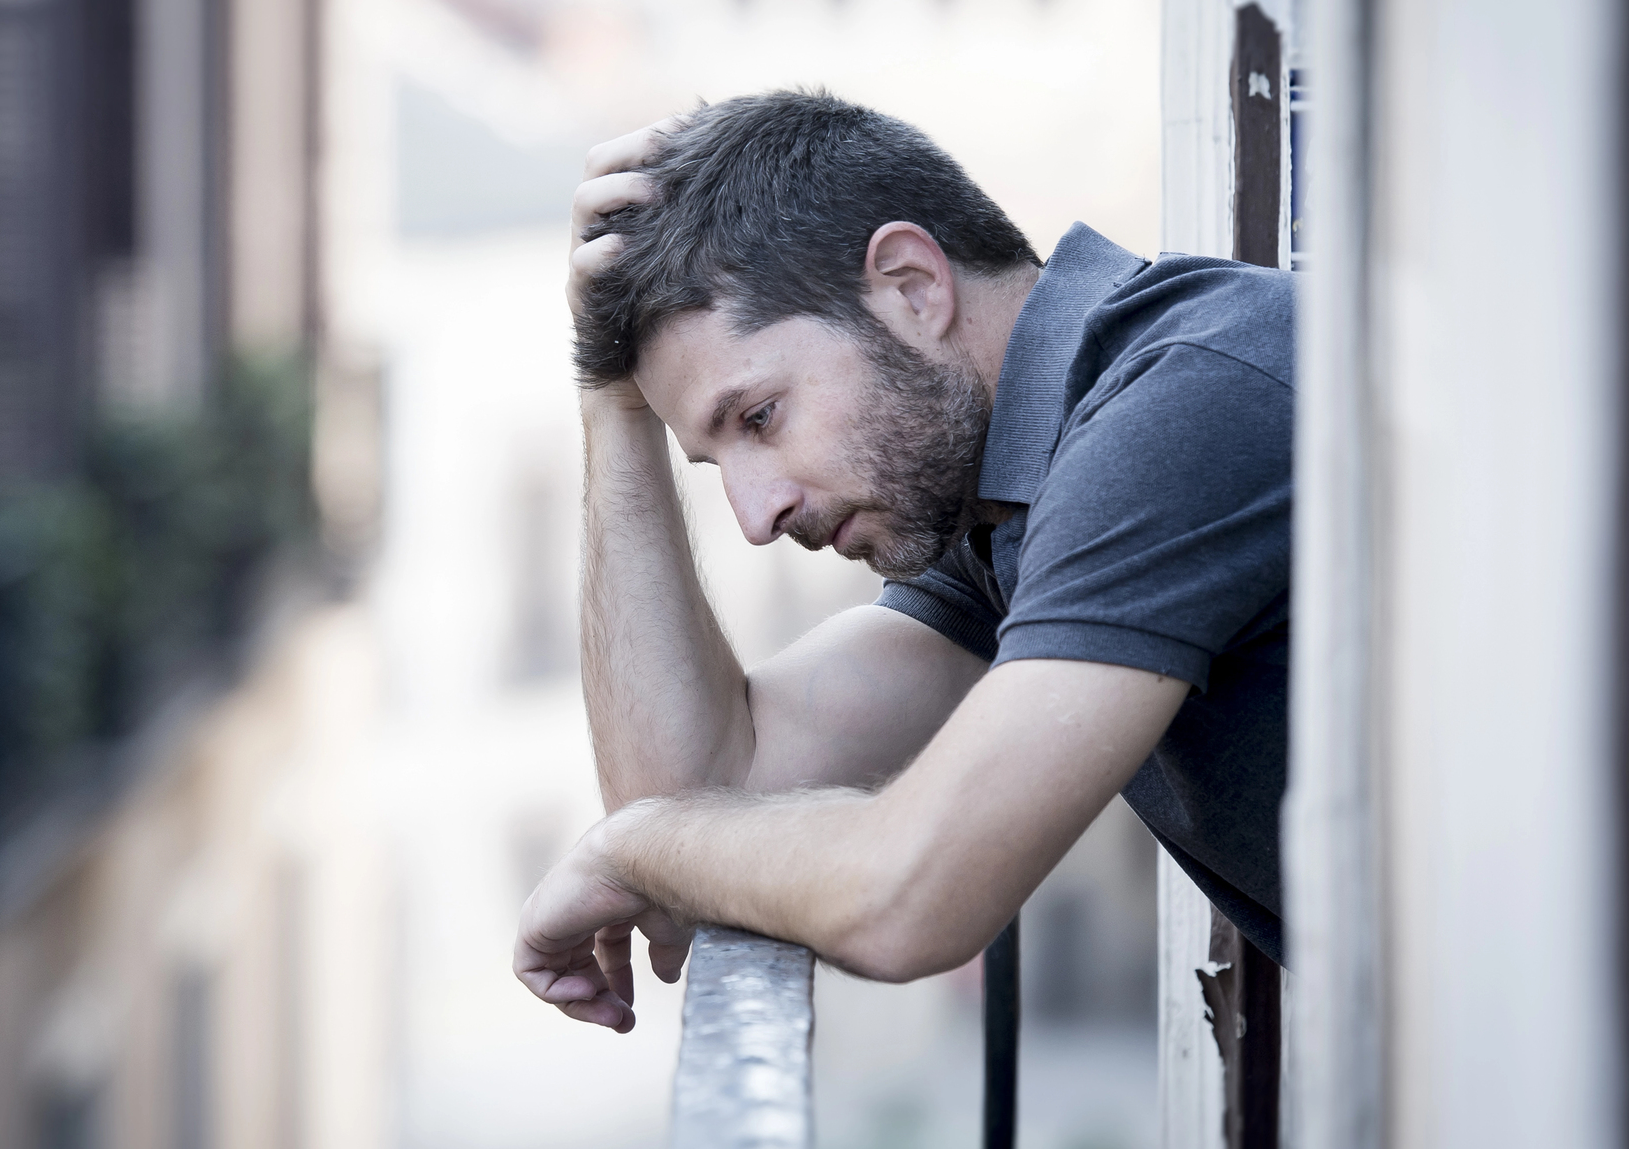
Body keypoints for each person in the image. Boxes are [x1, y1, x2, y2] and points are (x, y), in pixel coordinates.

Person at [512, 89, 1292, 1033]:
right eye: (718, 460)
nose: (758, 518)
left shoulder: (1178, 408)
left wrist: (631, 848)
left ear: (914, 287)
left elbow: (909, 900)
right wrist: (611, 398)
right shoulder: (1003, 506)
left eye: (759, 417)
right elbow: (697, 792)